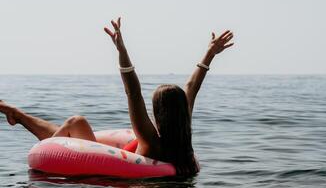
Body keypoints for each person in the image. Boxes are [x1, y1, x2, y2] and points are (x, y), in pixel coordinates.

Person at [0, 17, 234, 176]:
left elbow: (133, 92)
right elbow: (192, 87)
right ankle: (18, 115)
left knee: (76, 122)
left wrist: (122, 52)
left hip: (113, 173)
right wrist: (210, 54)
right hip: (150, 172)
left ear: (159, 113)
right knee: (75, 126)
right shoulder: (183, 134)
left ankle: (20, 117)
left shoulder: (150, 139)